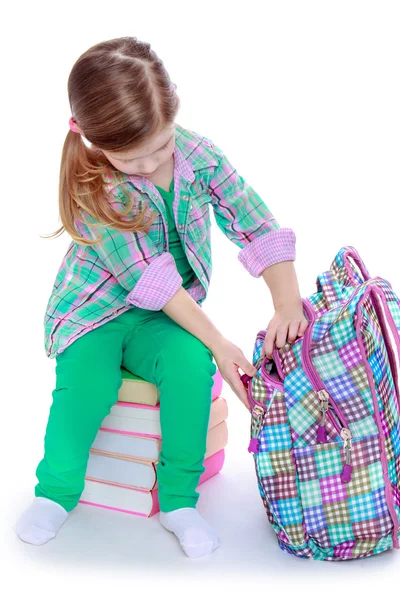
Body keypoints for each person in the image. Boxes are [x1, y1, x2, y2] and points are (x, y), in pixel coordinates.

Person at [14, 36, 307, 558]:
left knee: (192, 369)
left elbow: (254, 220)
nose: (150, 164)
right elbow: (151, 278)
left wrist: (287, 300)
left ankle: (177, 500)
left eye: (161, 146)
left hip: (163, 317)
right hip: (95, 314)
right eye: (131, 158)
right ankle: (56, 491)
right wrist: (220, 340)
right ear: (93, 141)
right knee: (88, 385)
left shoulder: (200, 154)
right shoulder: (92, 184)